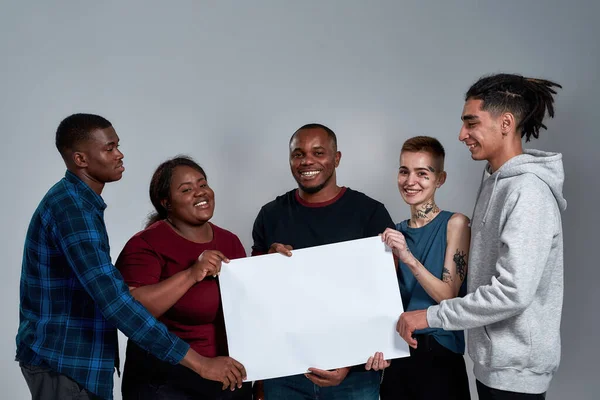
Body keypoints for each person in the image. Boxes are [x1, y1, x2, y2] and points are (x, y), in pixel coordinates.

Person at [16, 114, 245, 400]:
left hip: (77, 360)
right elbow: (117, 303)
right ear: (81, 159)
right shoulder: (72, 210)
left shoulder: (82, 205)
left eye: (117, 145)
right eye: (109, 148)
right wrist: (200, 363)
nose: (119, 154)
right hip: (66, 359)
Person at [397, 74, 566, 399]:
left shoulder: (527, 190)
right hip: (492, 364)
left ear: (505, 122)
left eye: (471, 123)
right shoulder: (495, 182)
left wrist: (430, 316)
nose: (462, 135)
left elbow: (512, 292)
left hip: (516, 372)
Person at [251, 123, 395, 400]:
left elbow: (384, 294)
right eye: (298, 154)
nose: (307, 161)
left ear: (337, 158)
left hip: (354, 375)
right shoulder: (270, 215)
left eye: (318, 152)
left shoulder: (369, 213)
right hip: (285, 373)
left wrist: (349, 362)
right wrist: (265, 268)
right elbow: (257, 301)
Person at [115, 156, 252, 400]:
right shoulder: (145, 244)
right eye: (186, 189)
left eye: (203, 184)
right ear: (166, 202)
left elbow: (248, 305)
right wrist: (191, 274)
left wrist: (275, 262)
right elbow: (131, 311)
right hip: (166, 383)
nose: (200, 193)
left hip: (227, 379)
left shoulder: (230, 241)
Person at [366, 136, 471, 399]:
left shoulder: (455, 223)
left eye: (422, 173)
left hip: (439, 355)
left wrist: (408, 257)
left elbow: (448, 295)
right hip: (399, 355)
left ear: (440, 179)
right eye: (404, 171)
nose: (410, 181)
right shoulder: (392, 233)